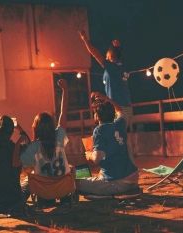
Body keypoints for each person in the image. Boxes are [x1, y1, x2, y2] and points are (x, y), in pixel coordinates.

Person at [79, 30, 135, 164]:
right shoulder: (118, 68)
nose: (104, 56)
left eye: (107, 54)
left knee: (118, 139)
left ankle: (127, 168)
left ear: (111, 56)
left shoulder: (113, 68)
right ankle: (125, 167)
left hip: (120, 108)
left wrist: (85, 40)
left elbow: (95, 53)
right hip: (119, 107)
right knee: (118, 138)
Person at [17, 79, 72, 205]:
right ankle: (65, 198)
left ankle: (46, 200)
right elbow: (63, 113)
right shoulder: (59, 136)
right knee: (71, 170)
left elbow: (25, 167)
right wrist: (65, 90)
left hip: (45, 192)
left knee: (29, 178)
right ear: (52, 125)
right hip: (63, 189)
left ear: (36, 128)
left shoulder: (34, 147)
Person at [76, 92, 139, 196]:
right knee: (100, 172)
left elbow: (97, 159)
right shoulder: (120, 124)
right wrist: (107, 98)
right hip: (133, 177)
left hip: (116, 183)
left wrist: (89, 155)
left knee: (76, 180)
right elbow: (120, 110)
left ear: (97, 116)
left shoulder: (99, 130)